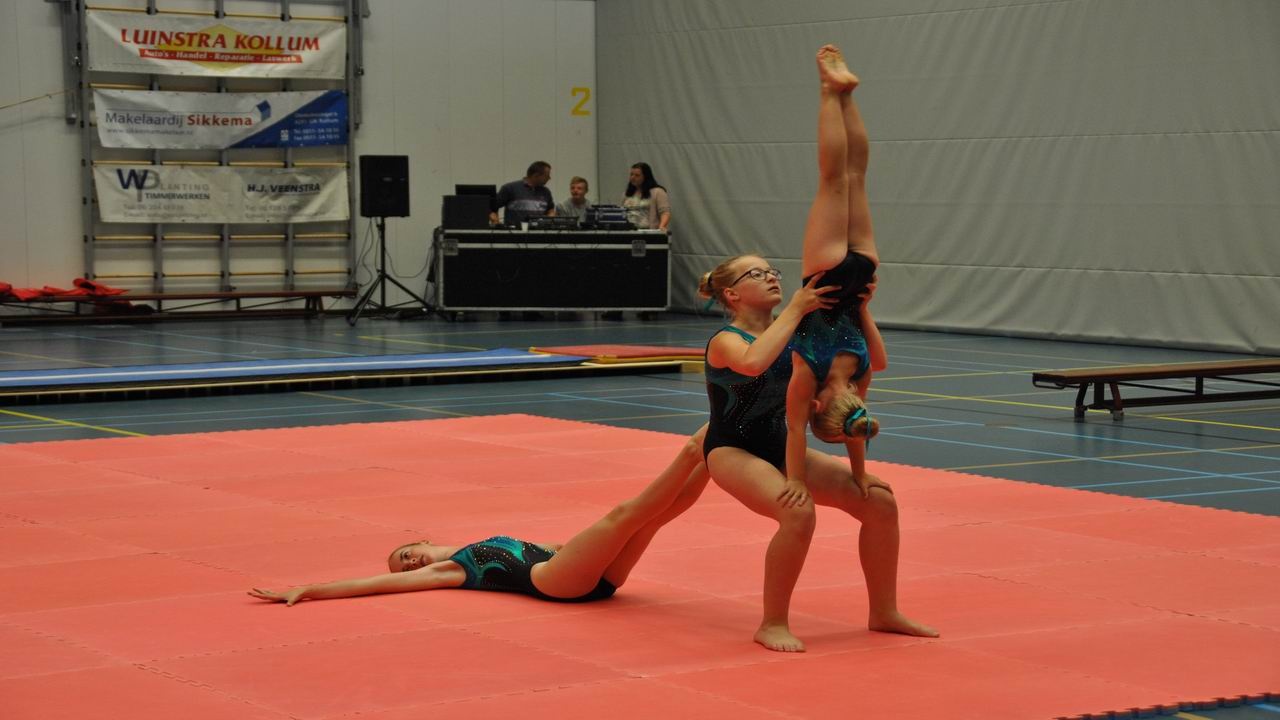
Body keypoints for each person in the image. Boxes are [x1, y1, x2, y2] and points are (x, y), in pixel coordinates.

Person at [695, 46, 936, 654]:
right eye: (757, 274)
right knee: (797, 511)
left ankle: (884, 609)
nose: (772, 277)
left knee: (880, 502)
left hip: (783, 441)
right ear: (731, 294)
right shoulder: (727, 339)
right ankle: (772, 621)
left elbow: (849, 382)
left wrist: (859, 471)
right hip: (733, 450)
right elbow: (755, 363)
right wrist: (801, 305)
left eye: (773, 270)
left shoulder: (799, 325)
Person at [249, 428, 710, 606]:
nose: (410, 564)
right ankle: (695, 448)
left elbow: (558, 547)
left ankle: (713, 459)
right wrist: (311, 589)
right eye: (407, 568)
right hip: (556, 585)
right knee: (624, 515)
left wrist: (573, 548)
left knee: (652, 520)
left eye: (406, 555)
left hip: (591, 580)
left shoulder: (479, 544)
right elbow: (373, 584)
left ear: (420, 540)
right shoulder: (455, 569)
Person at [784, 45, 887, 501]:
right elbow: (793, 429)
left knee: (858, 177)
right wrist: (794, 480)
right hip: (823, 276)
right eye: (816, 412)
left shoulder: (861, 376)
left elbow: (879, 364)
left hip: (862, 276)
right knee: (834, 180)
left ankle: (846, 96)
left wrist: (864, 309)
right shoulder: (809, 374)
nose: (809, 409)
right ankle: (830, 91)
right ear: (819, 405)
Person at [490, 161, 555, 226]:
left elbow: (550, 210)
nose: (549, 178)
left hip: (539, 231)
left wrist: (549, 219)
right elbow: (492, 207)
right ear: (536, 175)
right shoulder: (510, 188)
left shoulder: (546, 192)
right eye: (547, 176)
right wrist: (496, 222)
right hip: (514, 231)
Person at [621, 162, 671, 231]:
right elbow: (622, 213)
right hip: (628, 232)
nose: (633, 177)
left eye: (637, 175)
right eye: (631, 174)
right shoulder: (626, 194)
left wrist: (661, 227)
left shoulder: (658, 192)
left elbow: (665, 213)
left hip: (647, 232)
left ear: (646, 177)